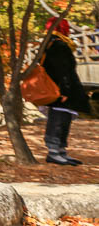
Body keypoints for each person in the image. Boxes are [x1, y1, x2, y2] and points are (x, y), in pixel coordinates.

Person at [42, 17, 91, 166]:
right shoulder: (58, 45)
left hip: (57, 88)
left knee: (63, 119)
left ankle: (61, 151)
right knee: (59, 119)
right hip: (61, 90)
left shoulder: (50, 43)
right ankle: (54, 152)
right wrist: (64, 91)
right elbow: (61, 71)